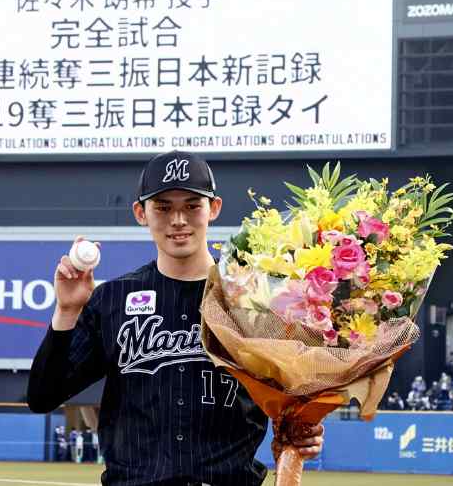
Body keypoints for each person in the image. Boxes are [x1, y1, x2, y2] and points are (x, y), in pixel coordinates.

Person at [27, 150, 324, 485]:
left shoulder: (255, 299)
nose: (178, 219)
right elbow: (42, 396)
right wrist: (66, 311)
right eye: (164, 207)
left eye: (191, 205)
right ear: (141, 213)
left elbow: (294, 404)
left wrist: (304, 430)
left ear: (214, 208)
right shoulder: (113, 300)